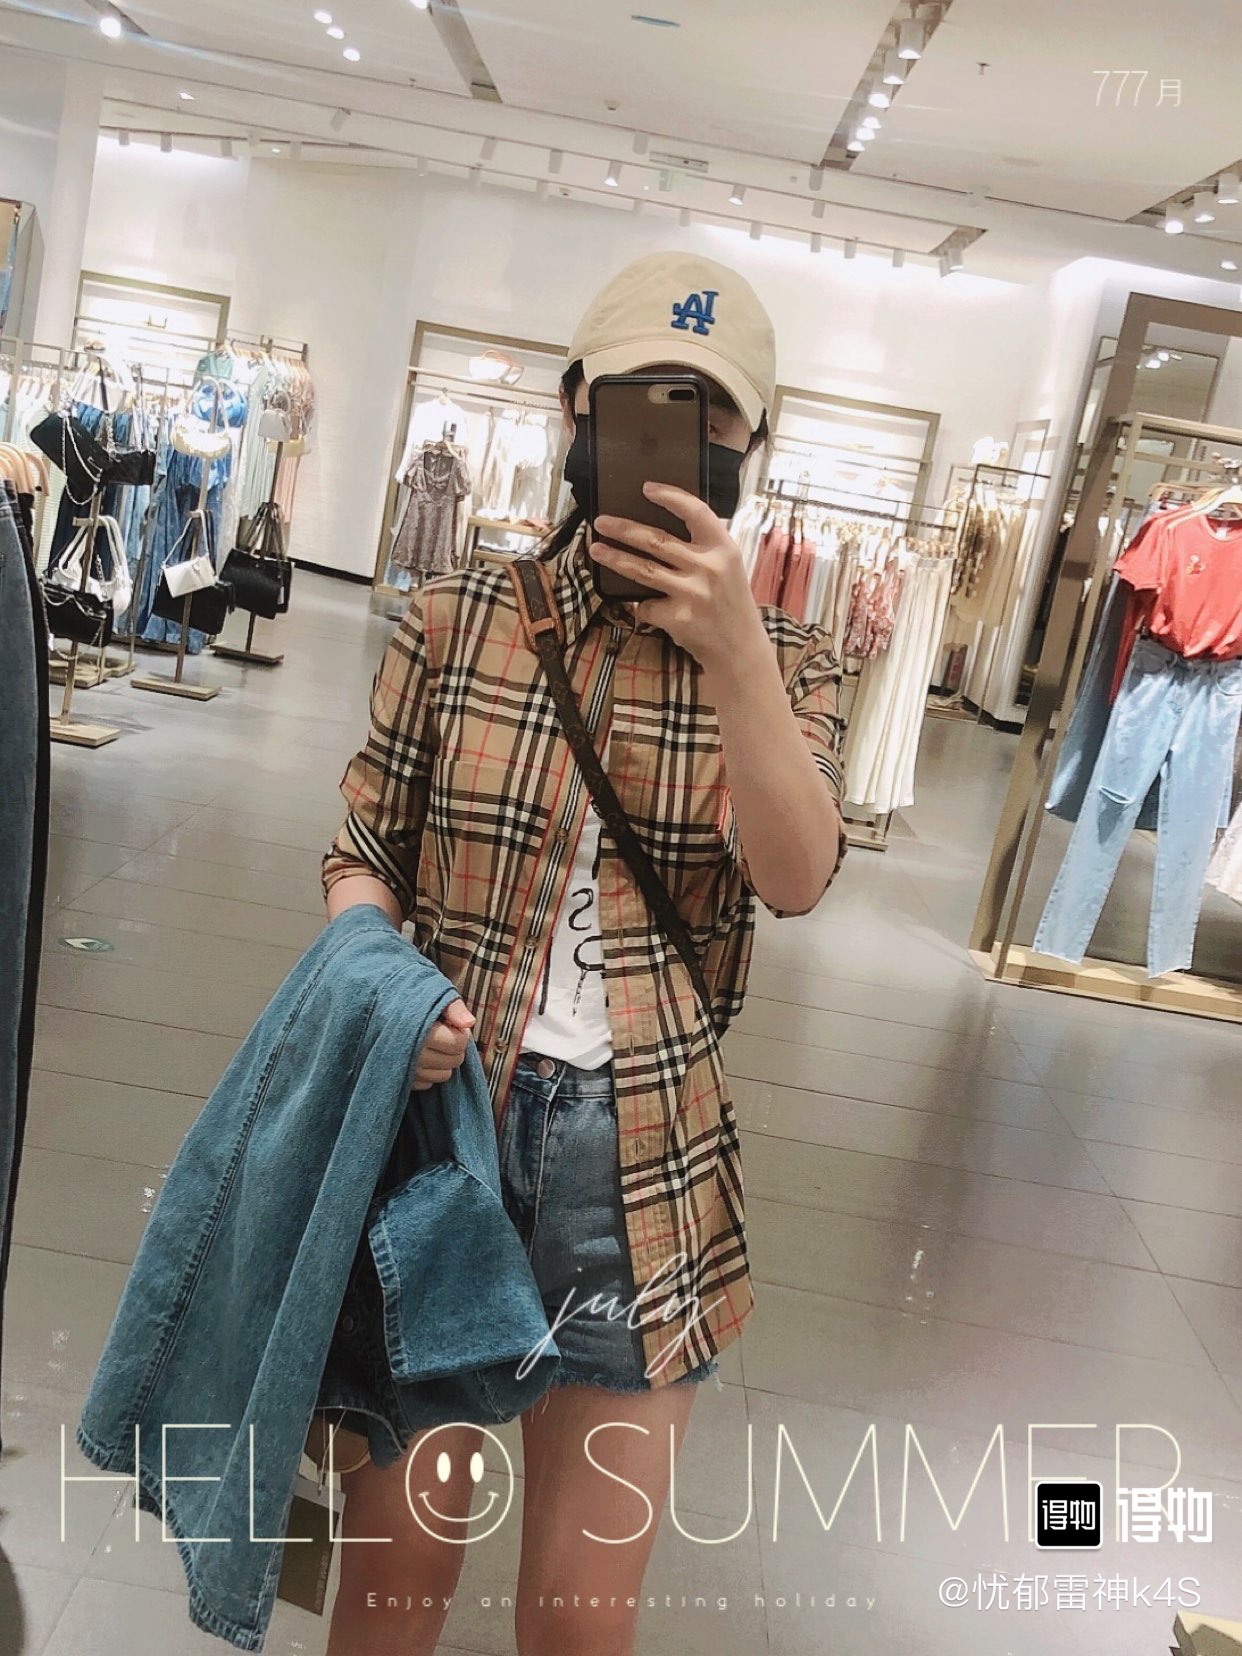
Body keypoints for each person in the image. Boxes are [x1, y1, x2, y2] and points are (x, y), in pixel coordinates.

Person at [320, 250, 849, 1656]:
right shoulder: (454, 617)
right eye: (640, 401)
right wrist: (384, 985)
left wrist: (737, 658)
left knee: (576, 1618)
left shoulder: (793, 665)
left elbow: (795, 877)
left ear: (753, 444)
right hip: (440, 1133)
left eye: (709, 413)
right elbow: (362, 851)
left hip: (645, 1170)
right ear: (573, 408)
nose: (677, 436)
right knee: (389, 1592)